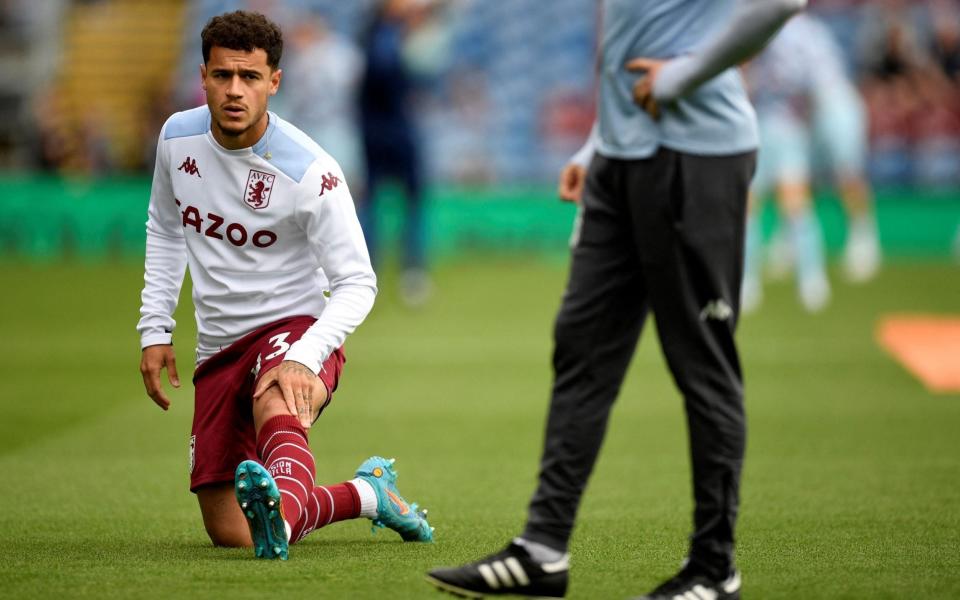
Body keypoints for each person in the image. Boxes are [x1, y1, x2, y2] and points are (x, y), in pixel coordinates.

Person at [426, 0, 805, 598]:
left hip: (695, 159)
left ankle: (714, 567)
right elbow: (633, 41)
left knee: (702, 367)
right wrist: (596, 145)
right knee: (581, 350)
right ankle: (543, 550)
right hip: (619, 161)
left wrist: (682, 76)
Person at [136, 10, 432, 561]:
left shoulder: (311, 172)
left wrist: (307, 353)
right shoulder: (176, 139)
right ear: (202, 75)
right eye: (223, 75)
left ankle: (290, 478)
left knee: (278, 391)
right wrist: (155, 327)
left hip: (294, 330)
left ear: (275, 82)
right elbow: (165, 227)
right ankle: (367, 494)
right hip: (219, 347)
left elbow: (358, 282)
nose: (234, 90)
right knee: (231, 533)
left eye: (249, 77)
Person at [358, 0, 432, 306]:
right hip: (394, 132)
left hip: (374, 132)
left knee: (374, 203)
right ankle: (410, 272)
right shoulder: (389, 38)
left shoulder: (373, 35)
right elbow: (392, 74)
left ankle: (368, 271)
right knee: (410, 201)